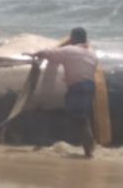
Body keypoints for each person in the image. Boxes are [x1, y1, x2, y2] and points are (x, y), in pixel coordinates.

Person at [30, 27, 99, 158]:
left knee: (80, 120)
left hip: (77, 87)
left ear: (72, 39)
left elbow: (50, 54)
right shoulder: (92, 53)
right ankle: (90, 149)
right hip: (90, 87)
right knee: (84, 119)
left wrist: (36, 54)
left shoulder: (69, 50)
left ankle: (88, 153)